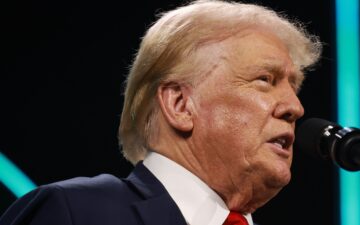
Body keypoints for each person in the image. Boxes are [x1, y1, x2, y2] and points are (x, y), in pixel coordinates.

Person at [0, 0, 321, 224]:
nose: (295, 107)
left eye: (293, 87)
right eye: (265, 80)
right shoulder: (75, 213)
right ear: (180, 105)